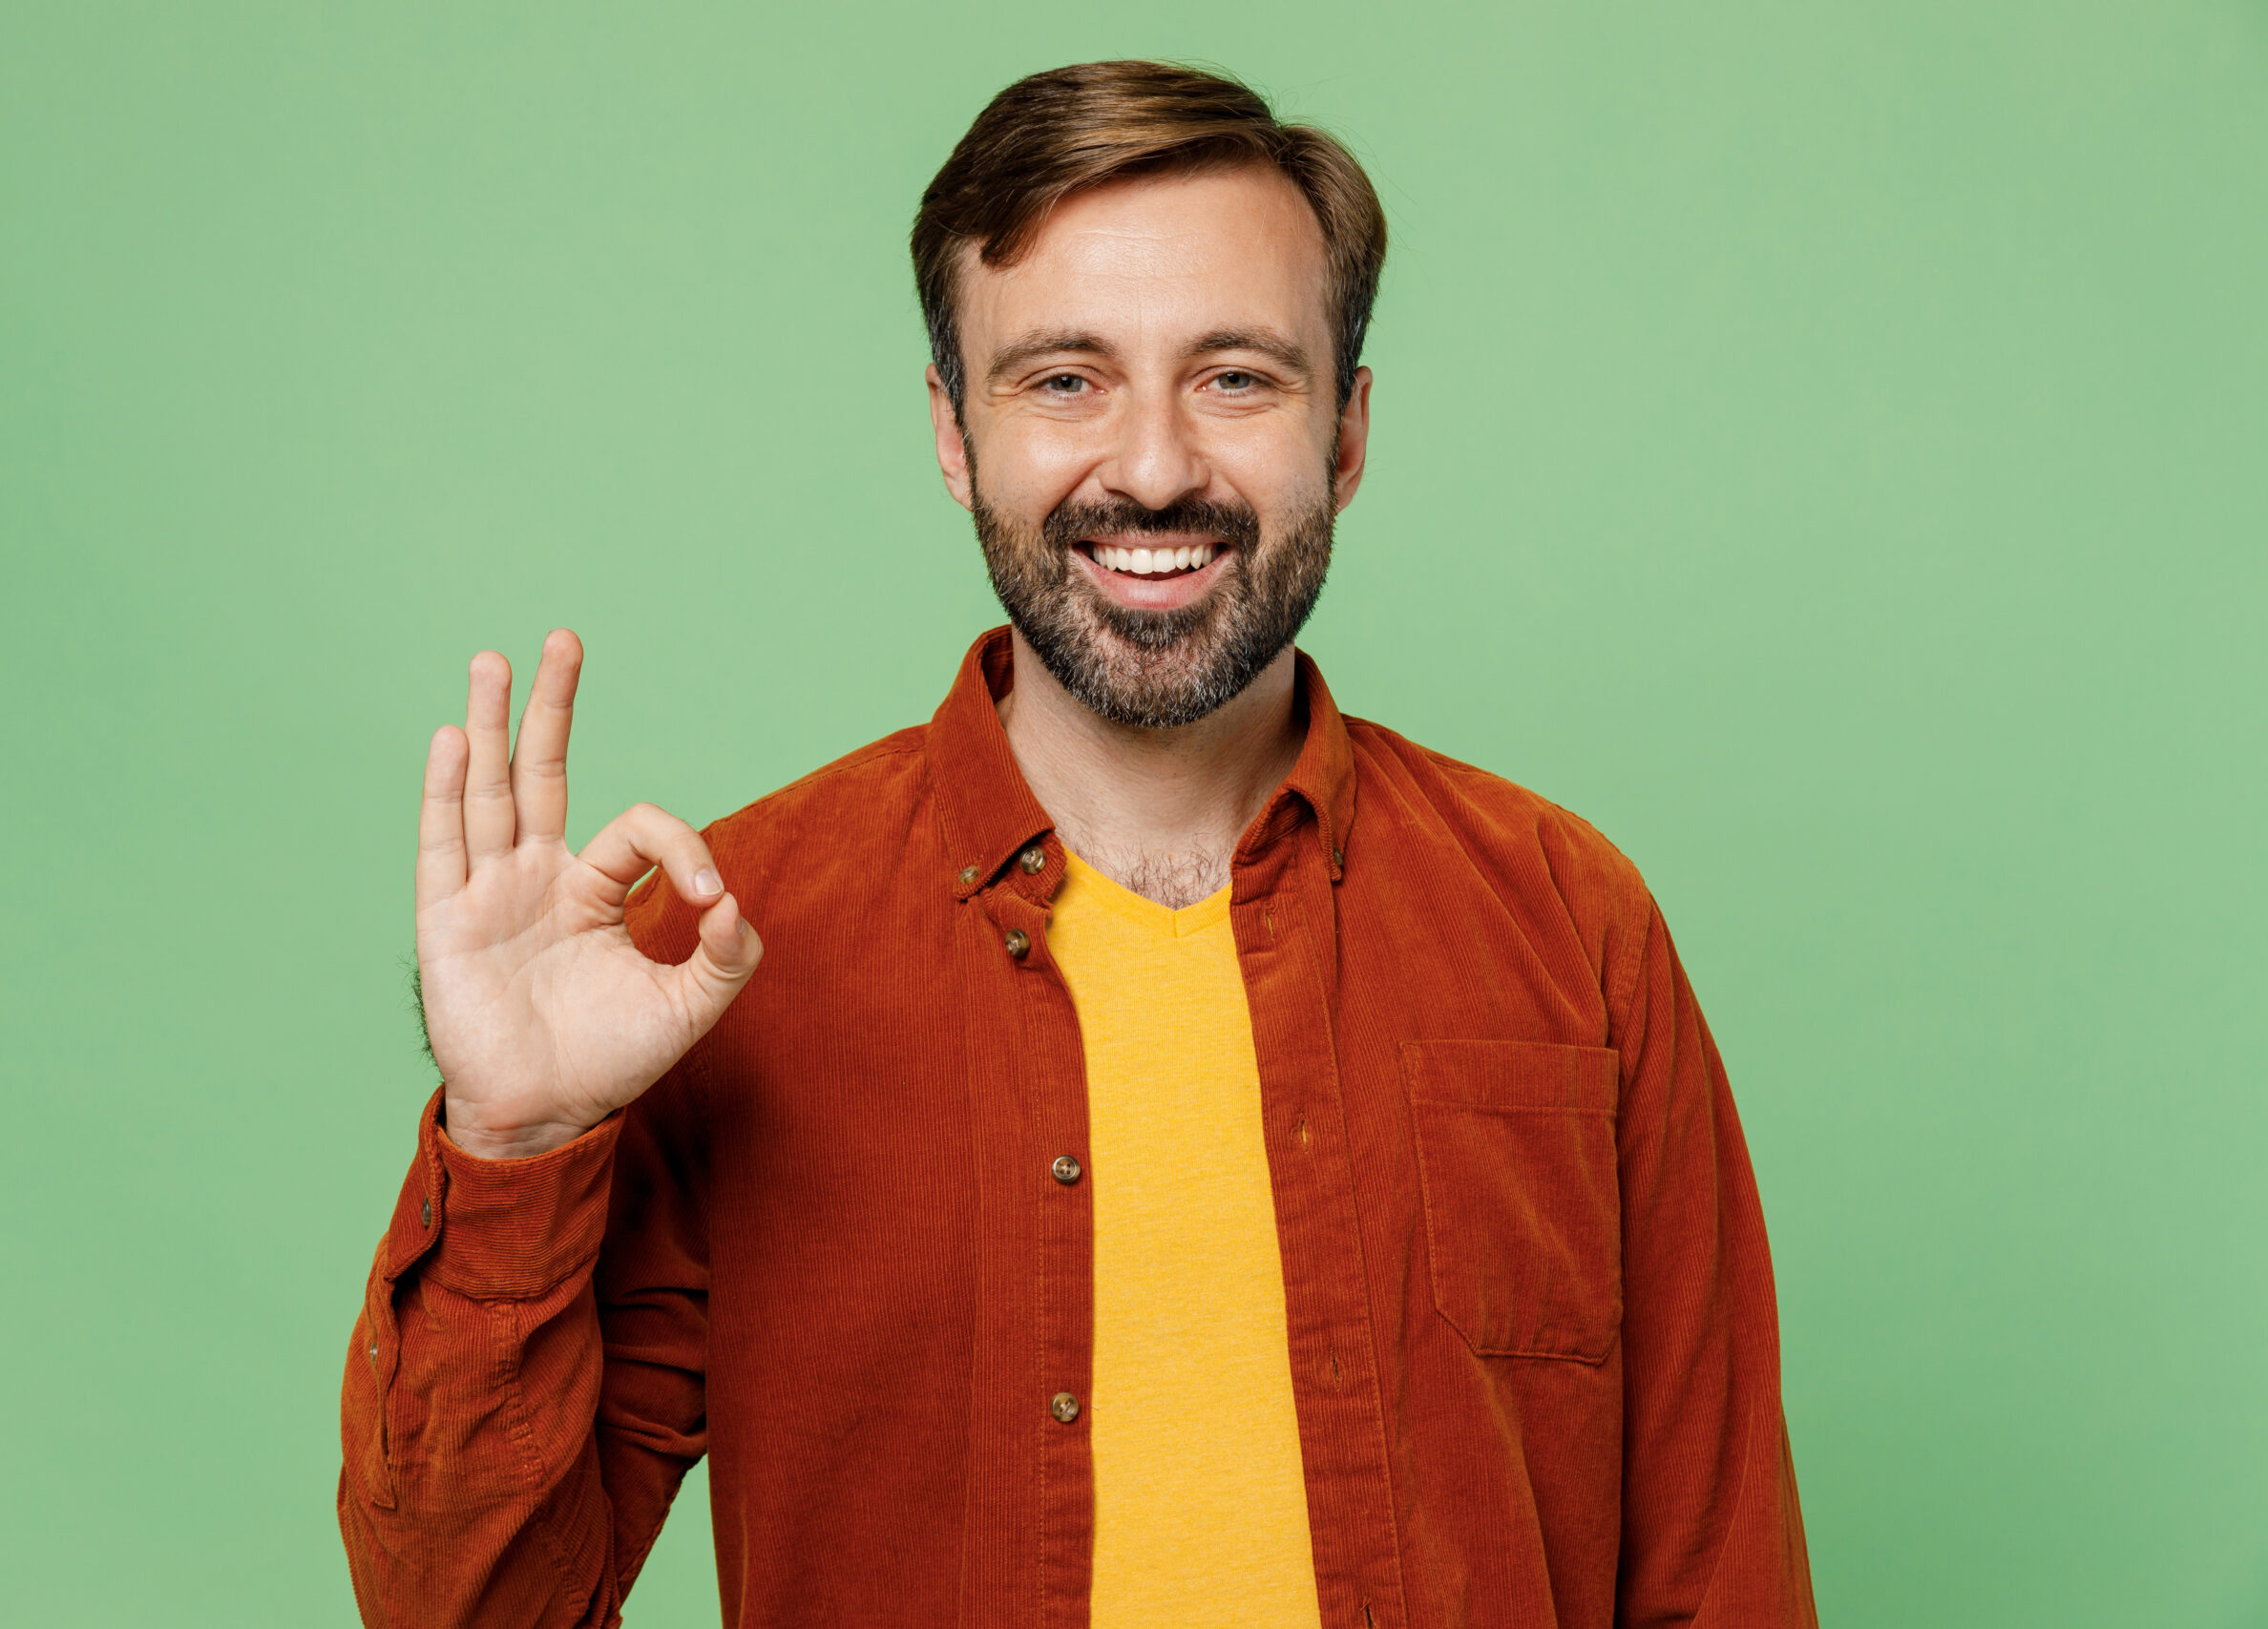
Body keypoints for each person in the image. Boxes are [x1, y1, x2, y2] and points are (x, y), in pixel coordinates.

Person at [337, 59, 1817, 1629]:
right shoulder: (722, 951)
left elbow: (1719, 1581)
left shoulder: (1566, 924)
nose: (1157, 465)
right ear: (954, 434)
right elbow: (478, 1611)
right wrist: (508, 1151)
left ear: (1351, 431)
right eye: (1063, 380)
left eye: (1238, 376)